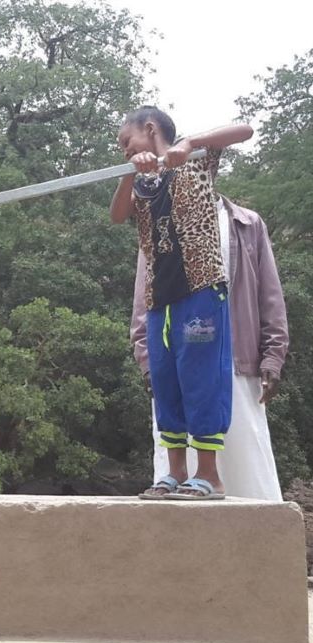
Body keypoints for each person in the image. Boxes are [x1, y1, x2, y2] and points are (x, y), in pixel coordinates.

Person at [110, 106, 253, 500]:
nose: (124, 150)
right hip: (160, 300)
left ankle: (209, 476)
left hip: (201, 290)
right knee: (166, 384)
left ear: (150, 129)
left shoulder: (195, 161)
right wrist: (129, 172)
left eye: (127, 141)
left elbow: (244, 130)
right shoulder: (141, 182)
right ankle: (174, 473)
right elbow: (118, 216)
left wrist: (191, 143)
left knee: (202, 379)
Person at [131, 194, 289, 500]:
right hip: (177, 361)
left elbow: (270, 295)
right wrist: (148, 361)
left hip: (236, 361)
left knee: (247, 464)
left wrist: (273, 357)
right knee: (176, 464)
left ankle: (256, 544)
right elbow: (144, 301)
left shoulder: (247, 224)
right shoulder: (157, 225)